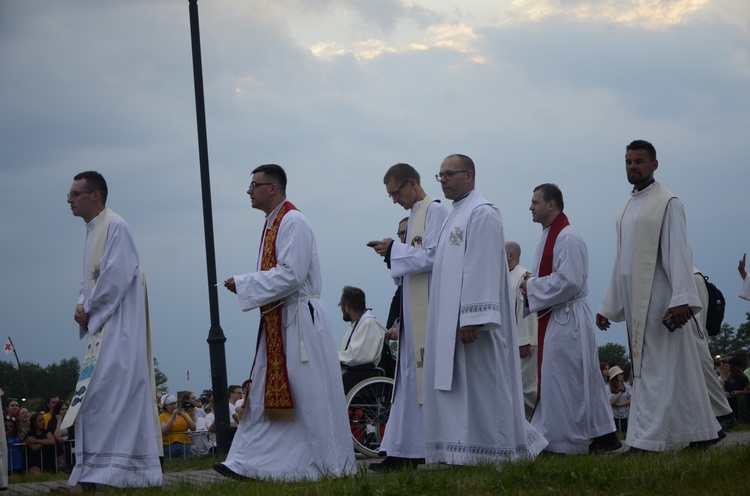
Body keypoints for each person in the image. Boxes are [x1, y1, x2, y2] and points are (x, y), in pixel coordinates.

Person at [217, 164, 355, 481]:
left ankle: (329, 463)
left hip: (299, 321)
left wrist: (245, 283)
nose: (249, 191)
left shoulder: (293, 221)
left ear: (273, 188)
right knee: (266, 390)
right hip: (279, 319)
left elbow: (292, 274)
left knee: (308, 393)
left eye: (254, 185)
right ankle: (246, 462)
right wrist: (248, 285)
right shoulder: (271, 223)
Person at [596, 140, 721, 452]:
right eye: (628, 162)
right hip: (637, 303)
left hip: (661, 301)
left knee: (654, 371)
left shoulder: (668, 203)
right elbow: (621, 260)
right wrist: (608, 306)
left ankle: (645, 441)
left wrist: (681, 297)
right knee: (678, 370)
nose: (633, 167)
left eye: (639, 161)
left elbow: (678, 251)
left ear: (654, 164)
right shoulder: (625, 208)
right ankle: (703, 431)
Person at [422, 154, 546, 465]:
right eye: (440, 176)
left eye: (450, 174)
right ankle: (462, 451)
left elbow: (482, 268)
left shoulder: (482, 213)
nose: (444, 180)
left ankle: (496, 450)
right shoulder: (456, 214)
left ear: (470, 175)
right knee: (461, 393)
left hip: (473, 326)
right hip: (452, 324)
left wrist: (471, 317)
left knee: (483, 390)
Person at [64, 171, 162, 489]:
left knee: (112, 392)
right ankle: (93, 472)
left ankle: (117, 473)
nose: (69, 200)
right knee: (95, 396)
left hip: (120, 323)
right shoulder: (93, 230)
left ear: (95, 195)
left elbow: (115, 276)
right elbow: (89, 280)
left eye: (75, 194)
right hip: (102, 321)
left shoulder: (116, 225)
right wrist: (82, 306)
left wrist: (90, 309)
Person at [521, 183, 619, 454]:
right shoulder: (549, 235)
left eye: (535, 202)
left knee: (563, 379)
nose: (530, 207)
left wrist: (530, 287)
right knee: (578, 378)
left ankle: (563, 442)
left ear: (551, 205)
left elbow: (569, 281)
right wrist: (533, 284)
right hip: (558, 314)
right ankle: (604, 435)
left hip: (568, 317)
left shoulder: (567, 237)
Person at [368, 163, 448, 471]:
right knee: (407, 383)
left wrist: (394, 251)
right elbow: (409, 265)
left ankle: (418, 450)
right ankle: (403, 449)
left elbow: (434, 257)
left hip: (429, 310)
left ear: (412, 183)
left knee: (422, 383)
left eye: (395, 192)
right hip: (411, 311)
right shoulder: (415, 213)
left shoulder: (435, 211)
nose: (394, 200)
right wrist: (392, 255)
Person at [693, 268, 738, 431]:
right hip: (685, 285)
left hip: (686, 287)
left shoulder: (691, 276)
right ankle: (707, 422)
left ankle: (722, 414)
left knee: (696, 355)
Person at [505, 240, 539, 421]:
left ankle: (530, 426)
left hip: (522, 344)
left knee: (526, 387)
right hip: (508, 344)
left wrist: (524, 340)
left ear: (510, 255)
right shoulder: (504, 277)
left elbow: (528, 308)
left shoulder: (523, 277)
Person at [338, 286, 387, 392]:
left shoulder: (369, 324)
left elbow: (355, 356)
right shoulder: (358, 325)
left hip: (362, 376)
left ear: (347, 308)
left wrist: (331, 356)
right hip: (357, 374)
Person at [159, 394, 195, 461]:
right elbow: (164, 430)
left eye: (175, 403)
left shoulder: (184, 414)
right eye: (171, 404)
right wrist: (172, 417)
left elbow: (193, 428)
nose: (174, 406)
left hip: (184, 444)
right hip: (169, 445)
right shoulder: (162, 416)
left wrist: (185, 416)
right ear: (165, 406)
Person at [606, 366, 632, 435]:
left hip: (624, 416)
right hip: (613, 417)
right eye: (620, 374)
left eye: (622, 374)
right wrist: (621, 391)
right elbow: (612, 402)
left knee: (625, 435)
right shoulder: (608, 388)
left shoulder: (627, 387)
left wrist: (620, 404)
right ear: (615, 376)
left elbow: (632, 400)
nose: (622, 375)